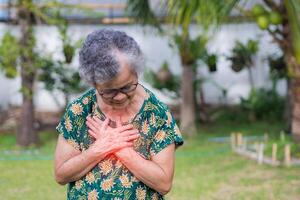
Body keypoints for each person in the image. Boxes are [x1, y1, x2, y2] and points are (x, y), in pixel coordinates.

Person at [54, 29, 184, 200]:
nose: (120, 96)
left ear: (136, 72)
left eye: (127, 87)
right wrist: (98, 150)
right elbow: (61, 175)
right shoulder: (80, 111)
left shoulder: (156, 114)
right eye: (109, 91)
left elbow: (164, 183)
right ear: (94, 83)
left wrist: (120, 148)